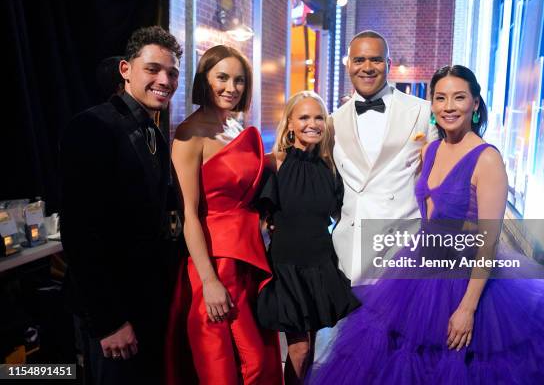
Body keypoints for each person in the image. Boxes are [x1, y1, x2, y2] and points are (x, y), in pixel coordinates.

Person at [308, 65, 544, 384]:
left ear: (475, 103)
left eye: (459, 97)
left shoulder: (486, 159)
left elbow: (489, 241)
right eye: (440, 98)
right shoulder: (431, 149)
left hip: (467, 281)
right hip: (418, 271)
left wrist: (467, 308)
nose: (448, 106)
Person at [60, 26, 182, 384]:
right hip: (112, 314)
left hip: (146, 303)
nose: (164, 79)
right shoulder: (92, 126)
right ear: (126, 70)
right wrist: (109, 321)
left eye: (172, 72)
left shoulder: (150, 129)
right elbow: (80, 233)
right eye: (153, 69)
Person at [166, 45, 282, 384]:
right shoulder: (189, 135)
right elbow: (189, 213)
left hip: (249, 258)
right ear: (204, 79)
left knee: (263, 359)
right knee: (234, 366)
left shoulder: (234, 126)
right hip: (217, 263)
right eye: (222, 78)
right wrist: (209, 280)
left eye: (239, 80)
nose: (232, 87)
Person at [256, 91, 361, 384]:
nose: (312, 124)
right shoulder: (272, 163)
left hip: (320, 264)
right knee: (299, 350)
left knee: (311, 349)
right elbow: (251, 213)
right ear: (290, 123)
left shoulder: (331, 167)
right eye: (303, 117)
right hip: (287, 266)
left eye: (318, 117)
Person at [331, 30, 438, 283]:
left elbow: (443, 177)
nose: (367, 68)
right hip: (350, 251)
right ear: (349, 65)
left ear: (388, 64)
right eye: (359, 60)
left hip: (403, 249)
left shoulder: (422, 112)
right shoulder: (332, 121)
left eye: (376, 60)